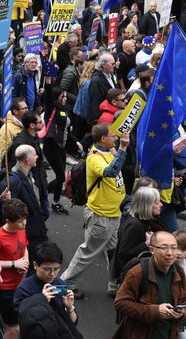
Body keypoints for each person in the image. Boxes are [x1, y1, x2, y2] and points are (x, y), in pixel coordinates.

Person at [61, 123, 130, 297]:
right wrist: (122, 148)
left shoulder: (109, 151)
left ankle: (114, 283)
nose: (116, 138)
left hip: (113, 213)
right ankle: (65, 282)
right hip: (101, 216)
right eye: (112, 136)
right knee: (88, 252)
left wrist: (118, 151)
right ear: (103, 139)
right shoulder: (94, 158)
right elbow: (111, 172)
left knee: (113, 251)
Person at [112, 231, 186, 339]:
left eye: (174, 248)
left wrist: (182, 312)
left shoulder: (178, 271)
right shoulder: (138, 273)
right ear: (152, 249)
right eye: (163, 247)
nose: (170, 253)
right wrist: (155, 311)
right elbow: (121, 303)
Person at [0, 198, 29, 339]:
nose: (24, 223)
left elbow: (25, 246)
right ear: (8, 221)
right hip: (5, 288)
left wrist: (25, 260)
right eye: (20, 221)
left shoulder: (21, 230)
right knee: (13, 327)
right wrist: (14, 264)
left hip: (20, 284)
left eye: (25, 219)